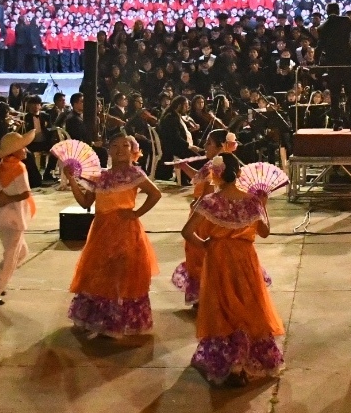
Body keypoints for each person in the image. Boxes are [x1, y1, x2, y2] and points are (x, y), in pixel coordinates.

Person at [183, 153, 285, 387]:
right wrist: (264, 205)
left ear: (215, 175)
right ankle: (246, 358)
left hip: (218, 258)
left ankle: (228, 362)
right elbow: (265, 232)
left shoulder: (209, 202)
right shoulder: (252, 201)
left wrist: (206, 244)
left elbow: (187, 232)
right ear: (239, 174)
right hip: (245, 258)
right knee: (249, 304)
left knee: (221, 306)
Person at [63, 134, 162, 338]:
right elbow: (85, 202)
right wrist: (72, 179)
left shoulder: (135, 173)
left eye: (124, 145)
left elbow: (155, 194)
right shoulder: (101, 176)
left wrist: (136, 213)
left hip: (125, 230)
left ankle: (117, 322)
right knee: (98, 274)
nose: (119, 149)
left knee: (121, 276)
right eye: (114, 145)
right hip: (101, 231)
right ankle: (97, 319)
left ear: (132, 150)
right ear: (108, 151)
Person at [171, 128, 238, 307]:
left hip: (205, 214)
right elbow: (199, 178)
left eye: (209, 143)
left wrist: (198, 205)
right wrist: (184, 166)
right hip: (204, 210)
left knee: (199, 255)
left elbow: (209, 190)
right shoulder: (214, 163)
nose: (205, 146)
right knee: (197, 255)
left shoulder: (218, 165)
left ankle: (206, 294)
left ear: (221, 146)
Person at [0, 129, 36, 309]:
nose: (25, 150)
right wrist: (8, 199)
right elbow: (25, 193)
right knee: (12, 258)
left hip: (2, 218)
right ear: (15, 152)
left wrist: (0, 197)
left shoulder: (2, 165)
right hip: (14, 219)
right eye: (22, 148)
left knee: (21, 253)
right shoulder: (19, 167)